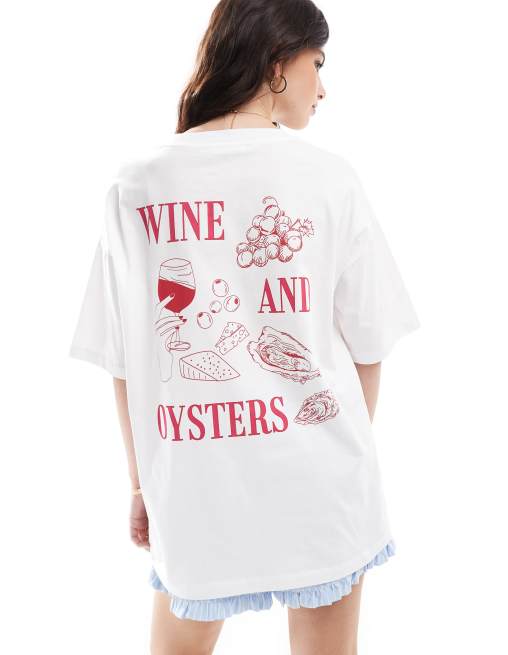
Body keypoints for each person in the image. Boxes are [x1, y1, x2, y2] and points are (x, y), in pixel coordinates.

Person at [68, 0, 420, 652]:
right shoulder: (329, 178)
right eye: (318, 63)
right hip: (320, 484)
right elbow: (369, 346)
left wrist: (142, 482)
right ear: (277, 63)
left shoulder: (138, 183)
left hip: (194, 484)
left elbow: (126, 358)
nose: (323, 87)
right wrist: (333, 454)